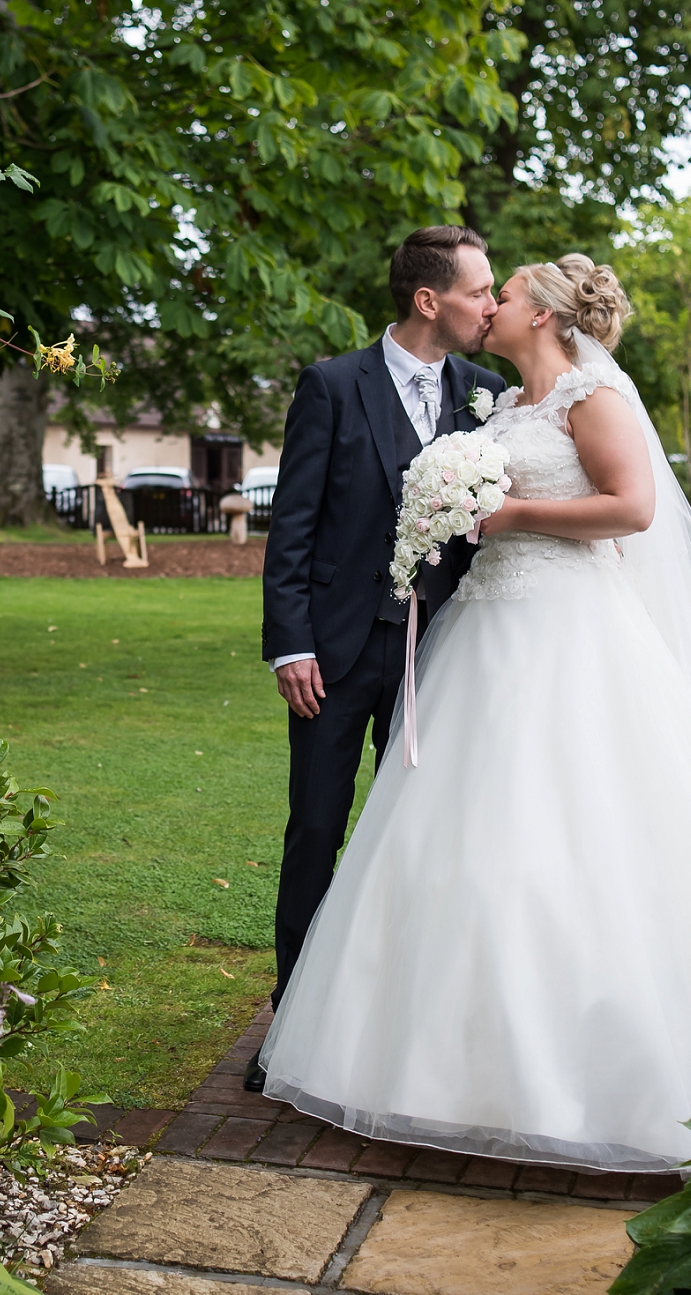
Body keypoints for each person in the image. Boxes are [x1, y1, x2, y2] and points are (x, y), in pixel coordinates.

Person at [256, 254, 691, 1171]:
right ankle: (441, 1059)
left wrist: (506, 518)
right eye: (484, 291)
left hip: (569, 632)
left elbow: (633, 505)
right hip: (473, 638)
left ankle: (594, 1068)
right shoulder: (498, 406)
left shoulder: (590, 396)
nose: (492, 306)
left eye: (503, 294)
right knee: (447, 842)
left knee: (577, 837)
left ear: (545, 316)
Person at [255, 227, 507, 1091]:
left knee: (423, 842)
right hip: (333, 654)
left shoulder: (487, 392)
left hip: (441, 655)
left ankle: (401, 1035)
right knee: (317, 832)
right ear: (428, 300)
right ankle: (293, 1026)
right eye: (480, 291)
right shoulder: (332, 385)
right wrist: (290, 642)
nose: (493, 305)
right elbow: (291, 525)